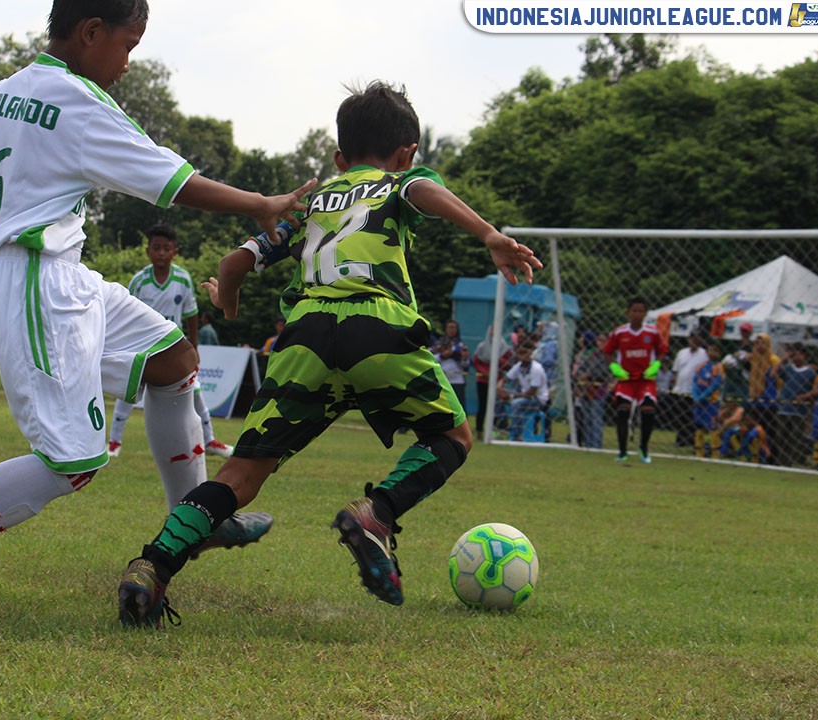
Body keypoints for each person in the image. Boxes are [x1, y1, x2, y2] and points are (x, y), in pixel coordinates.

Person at [0, 0, 316, 605]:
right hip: (36, 286)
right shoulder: (81, 105)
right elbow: (173, 182)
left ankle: (196, 516)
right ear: (92, 32)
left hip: (64, 277)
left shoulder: (9, 94)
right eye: (128, 46)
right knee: (73, 463)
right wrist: (260, 203)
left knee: (174, 360)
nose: (127, 63)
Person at [115, 80, 542, 627]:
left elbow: (231, 264)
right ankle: (377, 513)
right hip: (376, 326)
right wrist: (488, 234)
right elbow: (421, 192)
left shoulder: (309, 206)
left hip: (305, 336)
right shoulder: (400, 181)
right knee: (452, 436)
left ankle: (151, 567)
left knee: (241, 474)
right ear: (407, 154)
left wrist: (227, 301)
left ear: (339, 159)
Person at [107, 224, 234, 460]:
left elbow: (191, 315)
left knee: (195, 392)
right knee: (127, 392)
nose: (161, 253)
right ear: (148, 251)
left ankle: (210, 440)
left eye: (167, 248)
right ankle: (114, 442)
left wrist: (194, 348)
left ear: (175, 251)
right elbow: (126, 314)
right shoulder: (139, 281)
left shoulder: (183, 279)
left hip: (173, 348)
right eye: (156, 248)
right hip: (142, 347)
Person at [603, 297, 668, 463]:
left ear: (645, 313)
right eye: (634, 311)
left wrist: (656, 365)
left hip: (645, 379)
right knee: (622, 411)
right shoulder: (619, 332)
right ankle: (622, 452)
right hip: (626, 379)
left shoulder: (652, 332)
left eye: (641, 311)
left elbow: (662, 350)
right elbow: (607, 351)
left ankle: (643, 448)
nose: (637, 314)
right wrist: (615, 367)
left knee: (648, 410)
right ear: (628, 313)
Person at [773, 343, 817, 466]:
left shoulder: (810, 372)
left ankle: (793, 463)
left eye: (799, 354)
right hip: (784, 408)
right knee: (781, 436)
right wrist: (784, 358)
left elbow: (815, 390)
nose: (796, 357)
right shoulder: (788, 368)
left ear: (805, 356)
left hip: (799, 411)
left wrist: (805, 396)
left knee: (795, 438)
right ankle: (781, 462)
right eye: (794, 354)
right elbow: (773, 374)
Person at [498, 341, 549, 442]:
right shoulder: (518, 366)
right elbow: (505, 379)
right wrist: (499, 388)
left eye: (525, 353)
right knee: (497, 399)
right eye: (520, 353)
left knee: (517, 404)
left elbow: (532, 392)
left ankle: (517, 435)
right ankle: (501, 427)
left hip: (538, 400)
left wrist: (511, 396)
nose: (522, 356)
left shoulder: (536, 369)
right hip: (524, 396)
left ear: (531, 354)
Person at [472, 326, 511, 439]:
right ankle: (479, 430)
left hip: (497, 382)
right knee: (482, 406)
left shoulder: (504, 348)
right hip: (483, 380)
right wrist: (485, 372)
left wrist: (498, 360)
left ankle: (496, 430)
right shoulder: (482, 347)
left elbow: (507, 364)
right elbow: (476, 362)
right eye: (492, 330)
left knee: (496, 406)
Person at [671, 332, 709, 447]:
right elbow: (676, 370)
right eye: (692, 338)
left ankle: (692, 440)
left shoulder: (704, 354)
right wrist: (674, 385)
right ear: (688, 339)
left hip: (695, 391)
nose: (694, 341)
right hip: (680, 389)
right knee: (680, 416)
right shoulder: (682, 352)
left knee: (692, 416)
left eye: (697, 338)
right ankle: (680, 440)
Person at [572, 330, 608, 449]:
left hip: (598, 389)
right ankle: (589, 444)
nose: (600, 343)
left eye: (603, 341)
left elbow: (604, 373)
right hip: (586, 389)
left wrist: (588, 375)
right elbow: (582, 368)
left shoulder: (607, 356)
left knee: (596, 418)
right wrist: (581, 376)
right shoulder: (593, 355)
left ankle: (596, 445)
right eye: (599, 340)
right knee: (587, 419)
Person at [691, 340, 725, 458]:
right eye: (710, 350)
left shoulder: (719, 367)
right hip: (699, 403)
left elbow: (715, 385)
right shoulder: (701, 366)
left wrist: (702, 397)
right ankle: (699, 452)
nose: (712, 353)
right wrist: (695, 396)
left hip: (712, 402)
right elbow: (695, 382)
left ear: (719, 353)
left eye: (715, 351)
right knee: (699, 426)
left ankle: (715, 454)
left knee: (713, 427)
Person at [431, 320, 470, 410]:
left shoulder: (461, 345)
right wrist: (443, 355)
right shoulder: (439, 344)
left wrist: (464, 357)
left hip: (457, 380)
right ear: (446, 329)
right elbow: (431, 359)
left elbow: (466, 364)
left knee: (459, 407)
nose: (452, 330)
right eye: (450, 327)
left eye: (454, 328)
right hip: (442, 379)